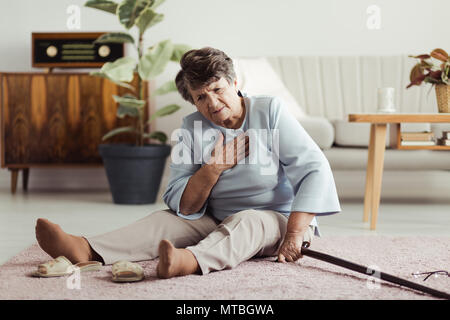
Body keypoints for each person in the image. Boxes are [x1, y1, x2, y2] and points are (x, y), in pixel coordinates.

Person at [35, 47, 341, 279]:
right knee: (163, 221)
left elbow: (314, 169)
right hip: (215, 218)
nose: (212, 103)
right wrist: (212, 169)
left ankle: (189, 261)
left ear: (235, 82)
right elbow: (184, 204)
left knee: (248, 221)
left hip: (278, 220)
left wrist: (294, 235)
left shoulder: (269, 111)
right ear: (192, 102)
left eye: (218, 89)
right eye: (200, 97)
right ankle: (85, 248)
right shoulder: (190, 128)